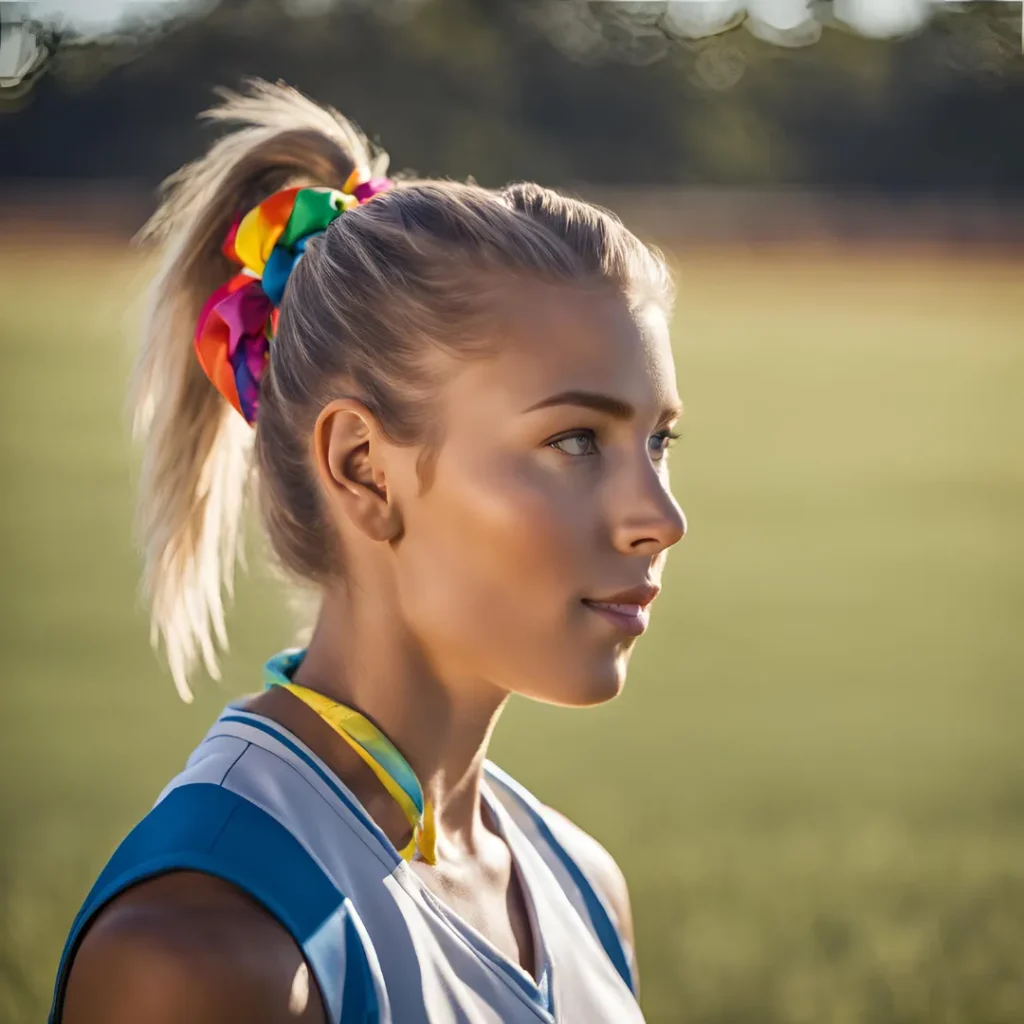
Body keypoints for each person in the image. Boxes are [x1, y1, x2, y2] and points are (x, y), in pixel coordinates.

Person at [50, 79, 686, 1024]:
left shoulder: (584, 890)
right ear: (364, 470)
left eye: (659, 442)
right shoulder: (204, 956)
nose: (660, 518)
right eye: (575, 441)